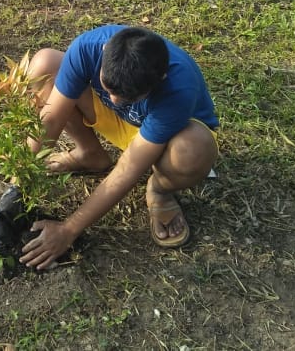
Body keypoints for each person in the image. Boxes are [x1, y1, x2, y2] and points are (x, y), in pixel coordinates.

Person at [18, 25, 219, 270]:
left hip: (166, 137)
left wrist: (69, 229)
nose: (114, 100)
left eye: (127, 96)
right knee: (44, 64)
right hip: (120, 122)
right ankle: (89, 153)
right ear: (105, 52)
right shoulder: (87, 48)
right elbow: (51, 117)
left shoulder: (178, 88)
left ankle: (160, 190)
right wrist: (23, 174)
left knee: (192, 149)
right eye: (109, 88)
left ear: (160, 80)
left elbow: (129, 167)